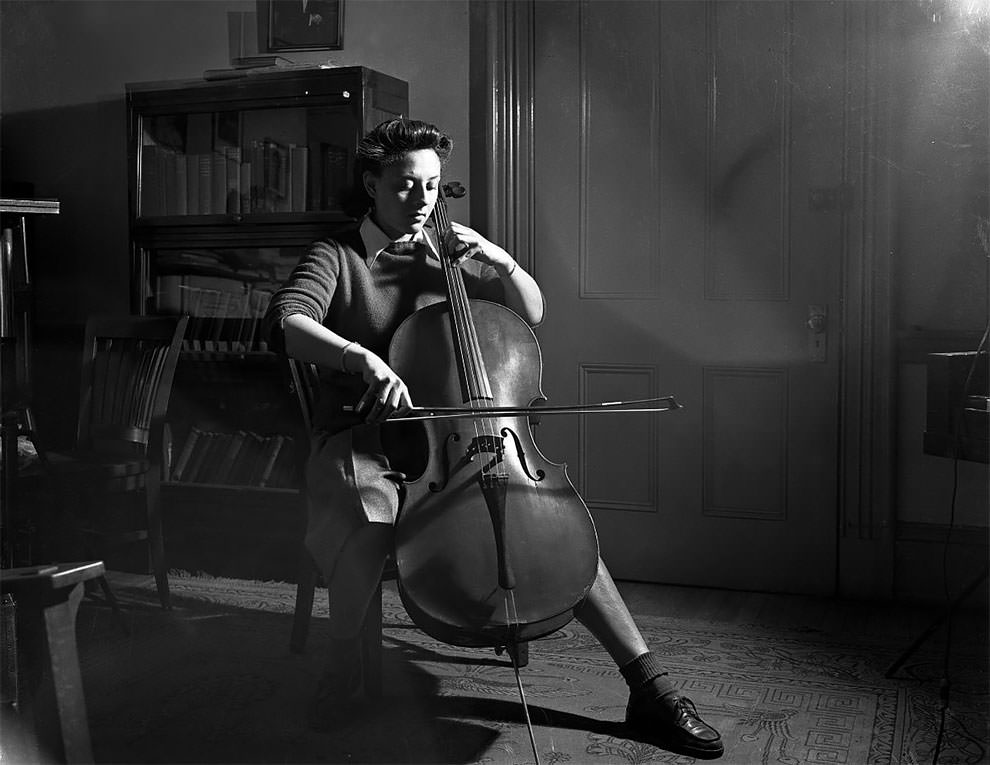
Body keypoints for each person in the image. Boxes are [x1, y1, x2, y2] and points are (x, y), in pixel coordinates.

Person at [262, 118, 723, 760]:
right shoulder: (337, 256)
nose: (422, 201)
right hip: (367, 435)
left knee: (551, 521)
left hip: (466, 438)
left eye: (431, 186)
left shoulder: (447, 251)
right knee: (369, 516)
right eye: (404, 187)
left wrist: (500, 261)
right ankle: (343, 669)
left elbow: (528, 312)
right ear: (371, 184)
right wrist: (360, 359)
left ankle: (649, 685)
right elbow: (290, 322)